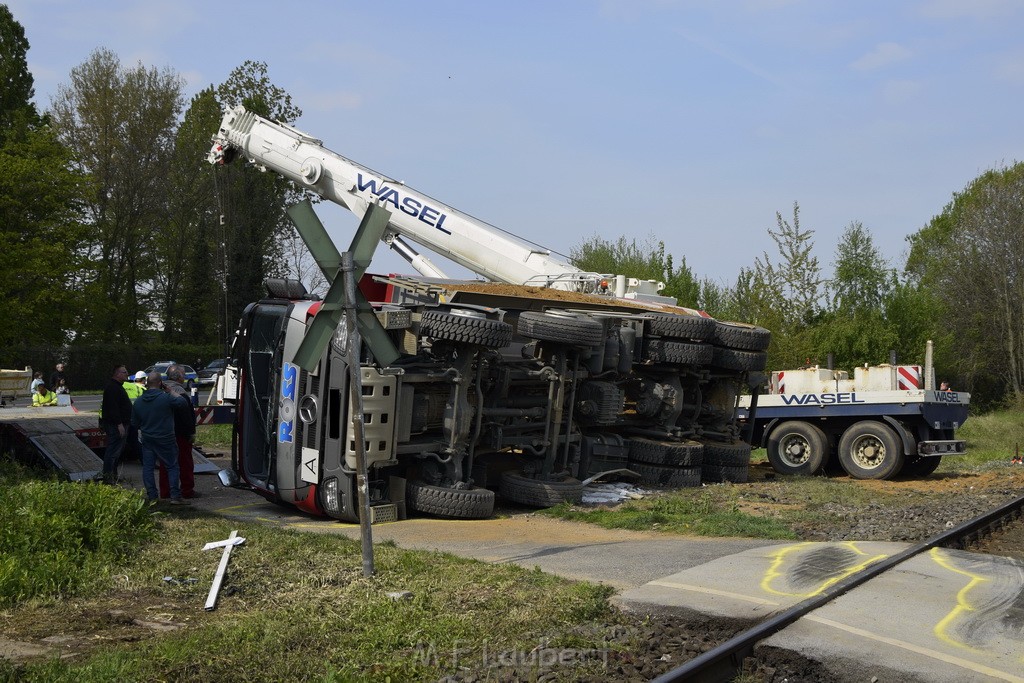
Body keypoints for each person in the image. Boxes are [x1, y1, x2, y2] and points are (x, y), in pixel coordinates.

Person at [131, 371, 190, 505]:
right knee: (172, 466)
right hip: (166, 438)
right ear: (160, 383)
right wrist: (170, 391)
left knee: (148, 468)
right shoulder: (166, 398)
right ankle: (175, 496)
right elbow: (183, 403)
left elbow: (134, 423)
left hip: (148, 439)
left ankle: (152, 496)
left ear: (146, 384)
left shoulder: (139, 402)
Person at [159, 364, 196, 499]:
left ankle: (165, 491)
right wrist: (191, 433)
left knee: (165, 464)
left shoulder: (160, 392)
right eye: (184, 375)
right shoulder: (180, 393)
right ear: (179, 377)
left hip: (163, 433)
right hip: (180, 434)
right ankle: (187, 490)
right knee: (185, 463)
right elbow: (186, 416)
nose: (185, 377)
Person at [99, 365, 133, 484]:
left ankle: (113, 475)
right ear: (117, 374)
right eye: (124, 372)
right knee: (112, 452)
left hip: (120, 423)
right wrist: (119, 424)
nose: (127, 374)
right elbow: (113, 408)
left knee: (116, 452)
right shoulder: (113, 388)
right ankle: (108, 478)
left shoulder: (117, 386)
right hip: (116, 425)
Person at [122, 371, 147, 461]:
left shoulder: (125, 385)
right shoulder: (142, 390)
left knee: (125, 440)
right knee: (134, 440)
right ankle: (144, 460)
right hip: (134, 419)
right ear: (144, 380)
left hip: (122, 418)